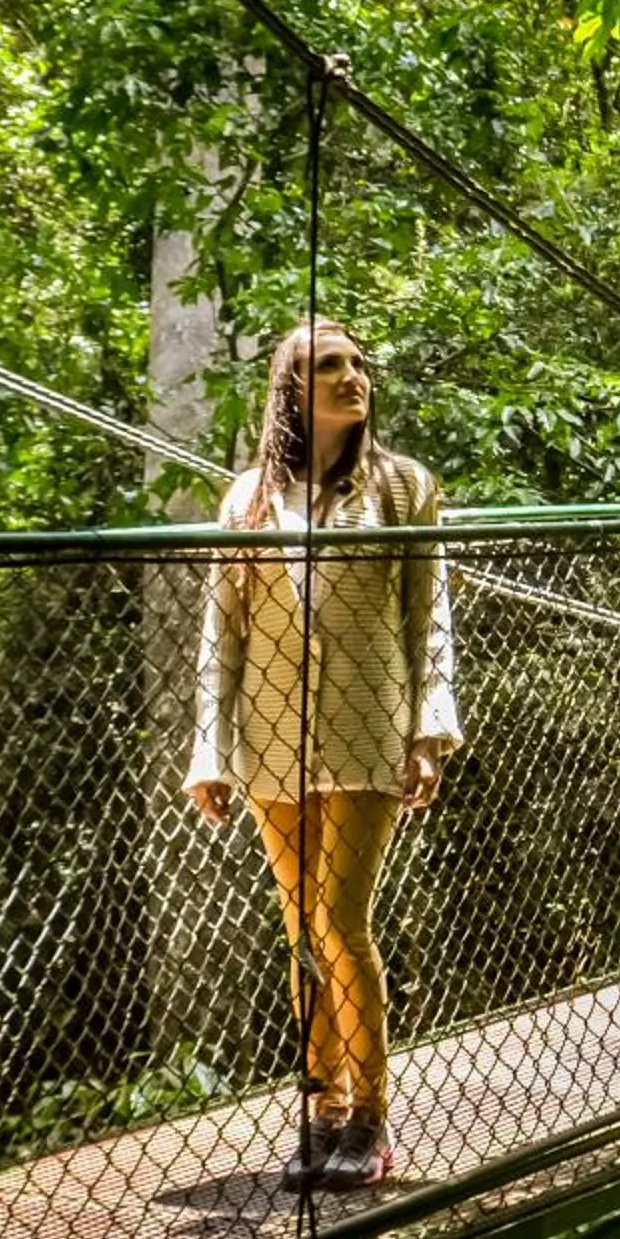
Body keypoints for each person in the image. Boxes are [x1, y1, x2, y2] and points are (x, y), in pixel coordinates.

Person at [184, 319, 461, 1193]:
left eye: (355, 363)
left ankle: (371, 1117)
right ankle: (323, 1112)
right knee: (300, 931)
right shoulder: (246, 503)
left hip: (366, 723)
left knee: (340, 923)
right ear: (291, 393)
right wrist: (209, 752)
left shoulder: (403, 488)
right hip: (270, 732)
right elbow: (220, 634)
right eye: (327, 367)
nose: (351, 377)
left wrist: (428, 729)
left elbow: (431, 615)